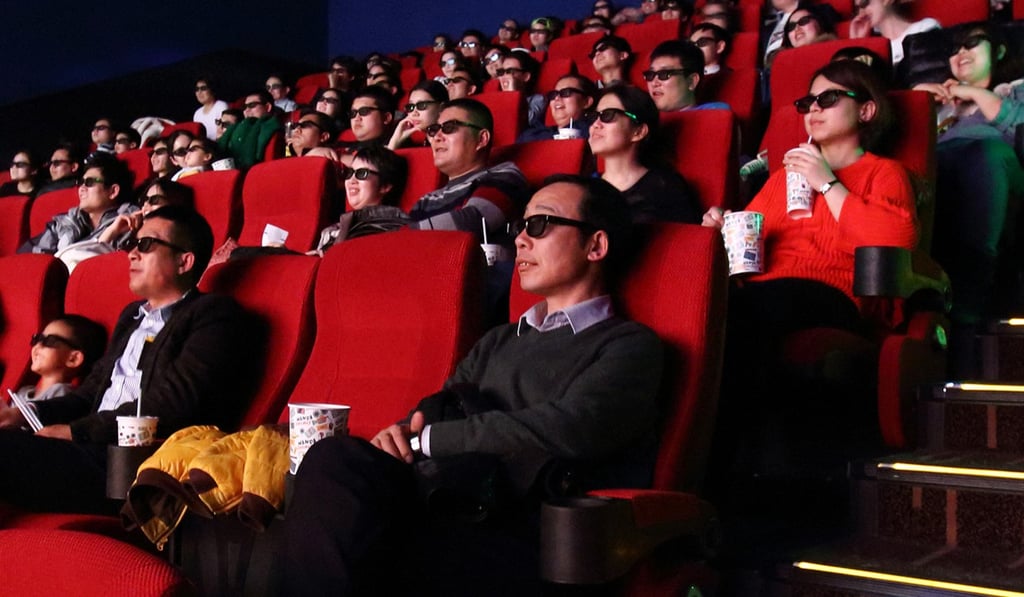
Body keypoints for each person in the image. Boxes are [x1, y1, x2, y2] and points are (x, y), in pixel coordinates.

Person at [284, 174, 663, 596]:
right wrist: (403, 433)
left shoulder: (629, 345)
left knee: (362, 541)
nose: (520, 240)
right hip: (448, 494)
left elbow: (569, 427)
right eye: (521, 226)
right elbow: (439, 404)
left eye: (539, 225)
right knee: (335, 460)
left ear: (596, 245)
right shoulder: (501, 338)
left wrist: (429, 440)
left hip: (528, 526)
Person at [703, 59, 917, 507]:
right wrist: (722, 226)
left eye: (829, 98)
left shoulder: (883, 172)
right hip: (769, 293)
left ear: (867, 111)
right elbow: (752, 242)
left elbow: (893, 242)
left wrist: (826, 182)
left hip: (836, 296)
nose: (812, 109)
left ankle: (723, 479)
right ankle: (716, 472)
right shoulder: (782, 178)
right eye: (807, 101)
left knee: (741, 316)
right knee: (711, 313)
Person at [0, 206, 256, 515]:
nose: (132, 254)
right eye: (131, 245)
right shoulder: (131, 317)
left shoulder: (214, 315)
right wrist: (26, 413)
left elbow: (174, 404)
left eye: (146, 244)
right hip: (90, 450)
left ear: (184, 261)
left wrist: (77, 431)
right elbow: (87, 395)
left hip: (131, 463)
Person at [912, 22, 1024, 376]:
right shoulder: (938, 103)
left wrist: (973, 93)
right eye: (955, 49)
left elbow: (1018, 129)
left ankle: (967, 316)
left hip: (997, 173)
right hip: (938, 178)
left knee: (985, 155)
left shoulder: (1015, 91)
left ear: (1000, 51)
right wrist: (916, 103)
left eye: (972, 44)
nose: (959, 54)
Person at [408, 98, 529, 244]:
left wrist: (399, 236)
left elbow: (475, 220)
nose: (436, 138)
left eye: (449, 127)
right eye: (433, 130)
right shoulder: (427, 200)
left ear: (481, 139)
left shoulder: (506, 175)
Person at [589, 85, 701, 223]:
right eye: (594, 117)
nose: (595, 125)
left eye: (608, 115)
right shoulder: (586, 190)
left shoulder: (666, 187)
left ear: (639, 131)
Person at [18, 152, 137, 255]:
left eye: (90, 182)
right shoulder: (64, 223)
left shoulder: (129, 224)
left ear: (113, 191)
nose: (81, 188)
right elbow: (28, 258)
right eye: (81, 182)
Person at [312, 146, 410, 254]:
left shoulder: (391, 227)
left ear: (385, 186)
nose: (351, 180)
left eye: (362, 173)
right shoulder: (333, 230)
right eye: (349, 173)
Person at [14, 315, 107, 403]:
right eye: (37, 339)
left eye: (49, 341)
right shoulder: (23, 392)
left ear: (73, 359)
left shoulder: (63, 396)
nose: (38, 346)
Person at [644, 40, 730, 112]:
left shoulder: (715, 113)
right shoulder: (642, 121)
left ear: (692, 81)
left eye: (664, 74)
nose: (654, 83)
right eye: (650, 75)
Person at [849, 0, 940, 66]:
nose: (861, 13)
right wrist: (858, 42)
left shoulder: (924, 27)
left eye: (865, 3)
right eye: (857, 9)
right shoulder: (873, 48)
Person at [518, 74, 597, 142]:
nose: (556, 98)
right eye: (553, 94)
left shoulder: (595, 132)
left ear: (586, 102)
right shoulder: (534, 133)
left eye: (566, 93)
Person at [388, 80, 448, 150]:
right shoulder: (408, 142)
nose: (414, 113)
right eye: (411, 106)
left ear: (442, 107)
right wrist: (394, 141)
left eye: (422, 105)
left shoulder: (454, 139)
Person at [498, 51, 547, 129]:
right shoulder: (496, 100)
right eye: (501, 72)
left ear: (526, 76)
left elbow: (528, 120)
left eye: (510, 71)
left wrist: (512, 95)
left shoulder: (538, 99)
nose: (504, 76)